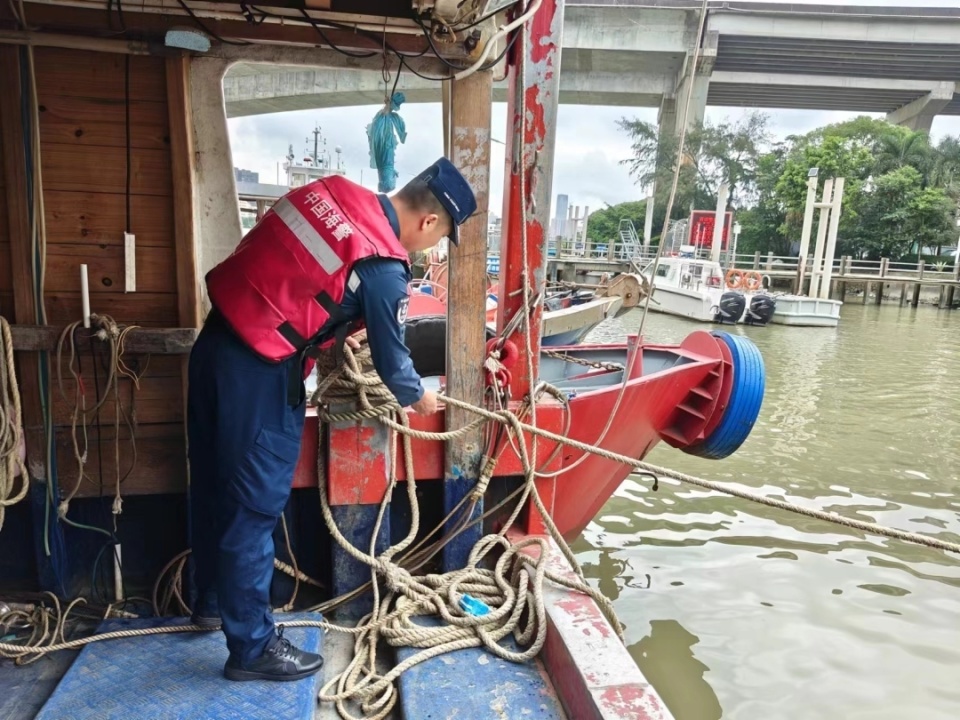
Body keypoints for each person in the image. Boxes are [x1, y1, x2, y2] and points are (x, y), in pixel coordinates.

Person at [186, 157, 477, 682]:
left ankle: (210, 601)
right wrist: (422, 399)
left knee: (213, 484)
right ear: (429, 222)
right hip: (259, 371)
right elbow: (393, 364)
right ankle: (251, 648)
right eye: (439, 237)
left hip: (214, 343)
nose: (429, 248)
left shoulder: (331, 192)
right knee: (254, 507)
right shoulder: (386, 269)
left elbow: (300, 276)